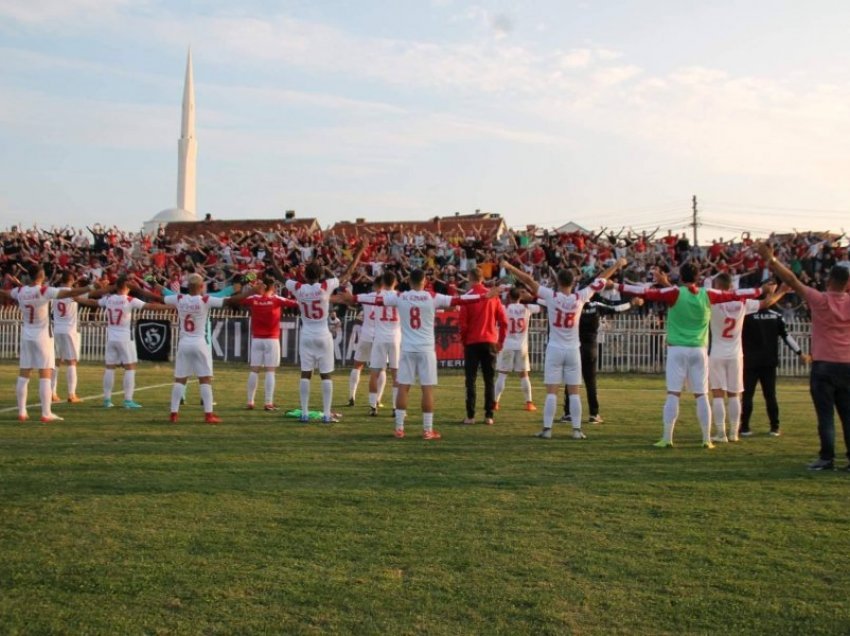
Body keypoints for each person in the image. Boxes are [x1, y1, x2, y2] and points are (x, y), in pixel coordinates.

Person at [618, 264, 764, 448]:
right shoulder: (707, 294)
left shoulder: (675, 293)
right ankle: (706, 439)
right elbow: (735, 294)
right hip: (699, 349)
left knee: (673, 393)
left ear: (681, 276)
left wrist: (617, 286)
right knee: (702, 395)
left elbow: (645, 292)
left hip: (677, 349)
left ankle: (667, 438)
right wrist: (760, 290)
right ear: (698, 277)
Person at [344, 269, 498, 439]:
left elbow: (374, 299)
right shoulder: (432, 297)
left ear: (409, 281)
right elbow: (460, 300)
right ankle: (427, 430)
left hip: (408, 348)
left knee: (403, 387)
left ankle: (399, 428)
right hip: (426, 350)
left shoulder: (401, 296)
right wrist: (485, 296)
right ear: (424, 281)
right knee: (427, 389)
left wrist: (354, 297)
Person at [501, 258, 627, 440]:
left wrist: (509, 267)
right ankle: (576, 430)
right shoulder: (580, 297)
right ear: (573, 282)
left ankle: (547, 429)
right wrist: (616, 265)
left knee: (552, 391)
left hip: (554, 349)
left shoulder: (551, 296)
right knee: (574, 392)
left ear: (557, 282)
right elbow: (599, 281)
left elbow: (529, 281)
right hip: (573, 349)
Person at [757, 242, 850, 471]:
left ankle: (826, 458)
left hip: (824, 364)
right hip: (847, 364)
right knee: (848, 416)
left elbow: (792, 281)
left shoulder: (820, 300)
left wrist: (773, 260)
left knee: (825, 416)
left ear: (829, 281)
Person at [283, 243, 365, 423]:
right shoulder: (325, 286)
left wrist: (270, 257)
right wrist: (358, 251)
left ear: (305, 275)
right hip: (323, 334)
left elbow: (279, 275)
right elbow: (346, 274)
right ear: (320, 275)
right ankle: (327, 414)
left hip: (306, 335)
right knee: (326, 375)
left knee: (306, 373)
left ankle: (304, 413)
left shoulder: (298, 288)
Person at [0, 265, 90, 422]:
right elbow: (72, 292)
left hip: (27, 335)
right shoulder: (44, 291)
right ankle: (46, 413)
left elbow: (5, 293)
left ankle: (22, 412)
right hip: (43, 336)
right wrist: (92, 287)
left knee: (24, 374)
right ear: (41, 275)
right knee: (45, 374)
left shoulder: (20, 291)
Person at [164, 274, 251, 423]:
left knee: (180, 379)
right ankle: (208, 414)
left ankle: (174, 413)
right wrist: (252, 290)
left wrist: (151, 285)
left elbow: (163, 295)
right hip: (199, 342)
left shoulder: (179, 299)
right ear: (201, 286)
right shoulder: (205, 300)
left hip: (184, 342)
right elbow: (231, 300)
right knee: (205, 379)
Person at [708, 273, 784, 443]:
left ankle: (721, 433)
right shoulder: (742, 303)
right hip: (735, 354)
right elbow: (766, 303)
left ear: (719, 287)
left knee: (718, 394)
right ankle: (734, 432)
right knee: (734, 394)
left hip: (717, 353)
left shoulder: (712, 302)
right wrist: (782, 291)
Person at [75, 276, 172, 409]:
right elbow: (150, 306)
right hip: (124, 338)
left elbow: (93, 303)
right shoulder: (129, 300)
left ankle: (107, 400)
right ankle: (128, 400)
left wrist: (77, 298)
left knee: (109, 368)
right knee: (130, 367)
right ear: (126, 286)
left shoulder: (109, 299)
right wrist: (169, 307)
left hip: (111, 338)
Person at [562, 293, 643, 425]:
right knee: (591, 382)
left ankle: (568, 413)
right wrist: (631, 303)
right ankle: (594, 414)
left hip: (575, 346)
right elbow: (616, 308)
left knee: (571, 380)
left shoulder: (573, 306)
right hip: (591, 348)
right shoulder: (596, 306)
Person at [740, 305, 809, 437]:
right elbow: (787, 336)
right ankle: (774, 427)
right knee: (770, 395)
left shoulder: (746, 315)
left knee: (747, 395)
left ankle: (745, 427)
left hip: (750, 362)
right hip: (769, 362)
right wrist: (800, 353)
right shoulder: (776, 316)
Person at [240, 276, 298, 410]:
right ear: (272, 287)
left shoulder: (253, 299)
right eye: (275, 286)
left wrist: (253, 289)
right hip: (271, 339)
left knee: (254, 370)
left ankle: (250, 401)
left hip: (256, 339)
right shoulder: (276, 299)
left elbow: (240, 300)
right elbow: (295, 303)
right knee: (270, 371)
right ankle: (268, 402)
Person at [459, 267, 507, 425]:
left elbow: (463, 324)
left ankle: (471, 416)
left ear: (470, 278)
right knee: (489, 380)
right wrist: (500, 341)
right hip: (490, 341)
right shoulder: (493, 296)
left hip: (472, 342)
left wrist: (464, 340)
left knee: (471, 380)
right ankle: (489, 415)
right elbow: (504, 321)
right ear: (482, 278)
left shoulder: (467, 297)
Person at [356, 271, 402, 417]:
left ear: (383, 282)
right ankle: (395, 408)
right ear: (395, 282)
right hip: (395, 337)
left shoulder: (375, 296)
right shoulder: (401, 296)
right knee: (396, 374)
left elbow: (354, 298)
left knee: (374, 373)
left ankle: (373, 406)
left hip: (379, 337)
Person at [493, 287, 540, 412]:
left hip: (507, 345)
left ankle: (495, 402)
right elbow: (542, 305)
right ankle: (529, 403)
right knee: (524, 375)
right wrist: (530, 295)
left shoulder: (504, 308)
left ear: (509, 297)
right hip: (522, 346)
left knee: (502, 374)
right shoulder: (527, 308)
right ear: (520, 297)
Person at [347, 277, 383, 407]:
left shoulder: (367, 297)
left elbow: (351, 300)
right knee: (381, 369)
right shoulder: (388, 298)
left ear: (374, 286)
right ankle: (377, 399)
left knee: (357, 366)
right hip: (380, 336)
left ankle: (351, 396)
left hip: (366, 335)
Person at [51, 272, 85, 403]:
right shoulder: (72, 293)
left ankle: (52, 393)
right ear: (72, 280)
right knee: (71, 362)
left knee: (55, 361)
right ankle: (71, 394)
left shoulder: (54, 292)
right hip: (69, 329)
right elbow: (87, 298)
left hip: (57, 328)